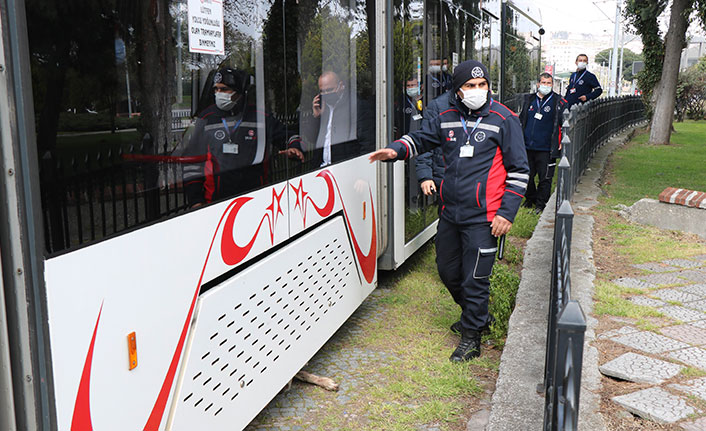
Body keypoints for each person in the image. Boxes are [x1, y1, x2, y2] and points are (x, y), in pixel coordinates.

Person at [369, 60, 529, 362]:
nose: (477, 91)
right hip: (451, 214)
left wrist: (506, 213)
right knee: (447, 270)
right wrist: (395, 150)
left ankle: (471, 337)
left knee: (475, 278)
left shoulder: (504, 119)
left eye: (482, 85)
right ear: (458, 90)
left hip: (485, 217)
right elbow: (422, 139)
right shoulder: (445, 115)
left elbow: (520, 170)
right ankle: (476, 315)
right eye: (470, 86)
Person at [182, 67, 303, 207]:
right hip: (216, 203)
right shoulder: (205, 118)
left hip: (256, 201)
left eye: (224, 89)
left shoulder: (260, 118)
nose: (218, 94)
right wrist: (196, 200)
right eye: (216, 89)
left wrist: (294, 147)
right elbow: (192, 161)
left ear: (240, 91)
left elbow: (288, 136)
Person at [294, 71, 374, 168]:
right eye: (322, 91)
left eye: (330, 89)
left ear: (341, 86)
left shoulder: (356, 107)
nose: (326, 94)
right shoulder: (323, 108)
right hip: (321, 169)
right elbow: (311, 139)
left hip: (345, 169)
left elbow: (367, 144)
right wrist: (316, 117)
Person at [519, 73, 567, 214]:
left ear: (552, 85)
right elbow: (521, 120)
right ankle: (530, 199)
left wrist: (561, 140)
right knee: (526, 175)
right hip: (527, 146)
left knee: (545, 178)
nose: (546, 85)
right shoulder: (529, 100)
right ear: (538, 83)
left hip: (546, 148)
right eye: (543, 82)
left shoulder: (559, 102)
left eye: (549, 83)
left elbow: (565, 123)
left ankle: (541, 205)